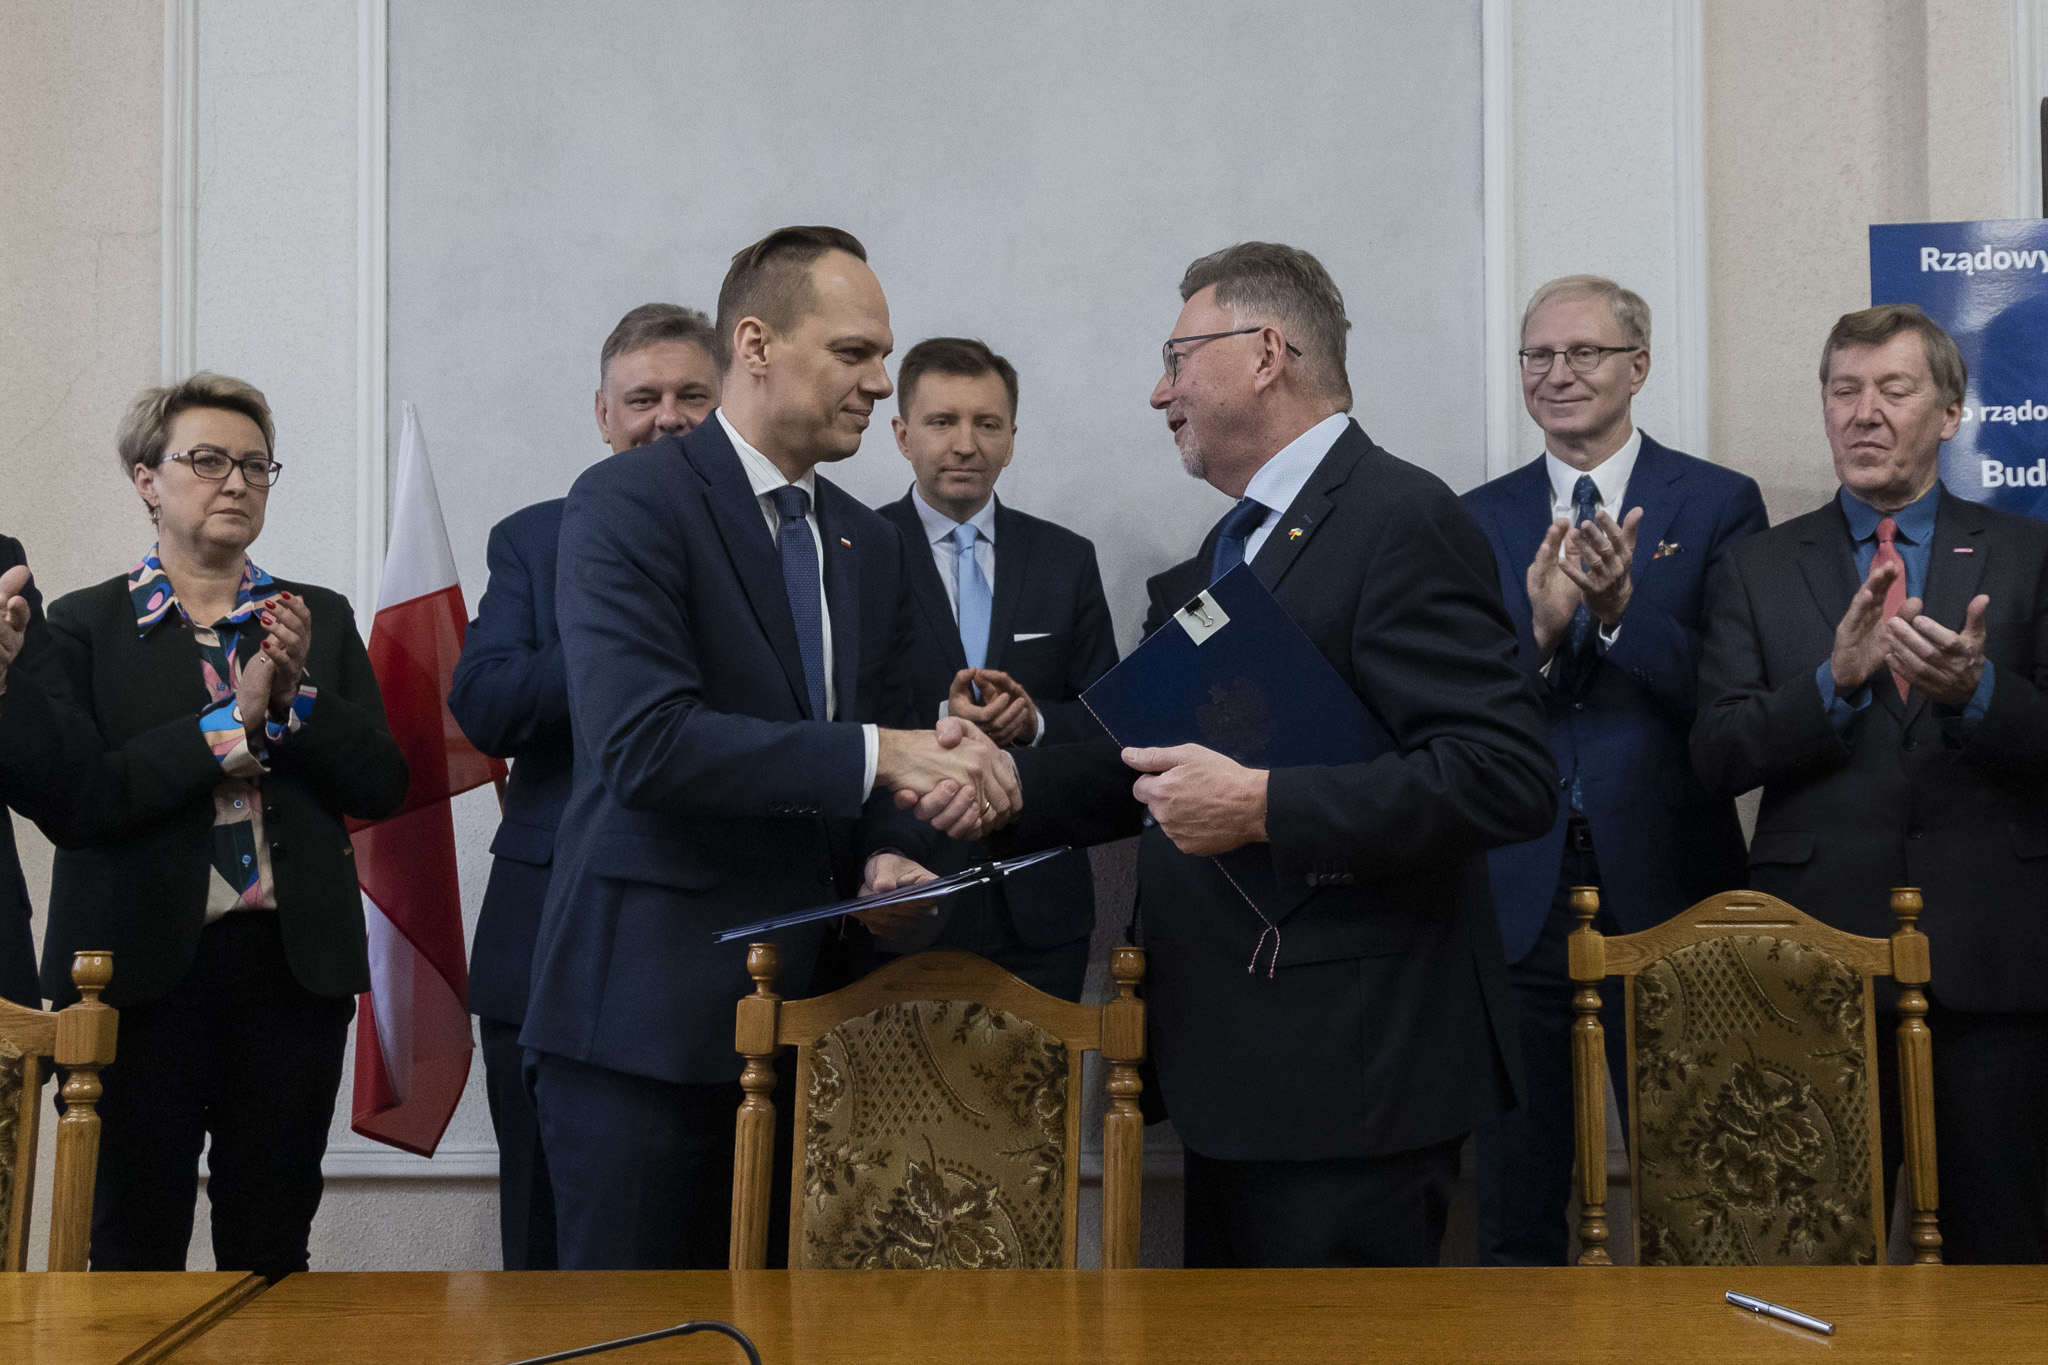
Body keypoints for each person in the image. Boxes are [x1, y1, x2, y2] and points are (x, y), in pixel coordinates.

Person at [972, 242, 1556, 1268]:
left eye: (1176, 358)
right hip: (1235, 1067)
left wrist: (1263, 808)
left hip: (1350, 1080)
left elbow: (1500, 776)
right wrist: (997, 783)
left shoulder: (1398, 517)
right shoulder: (1226, 551)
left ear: (1265, 353)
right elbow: (1147, 761)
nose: (1159, 392)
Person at [521, 226, 1020, 1271]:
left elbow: (892, 747)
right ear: (754, 344)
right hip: (646, 1032)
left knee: (793, 1334)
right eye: (853, 353)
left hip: (824, 1028)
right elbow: (644, 745)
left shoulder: (870, 542)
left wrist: (896, 854)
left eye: (880, 357)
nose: (878, 383)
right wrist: (885, 758)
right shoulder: (626, 502)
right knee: (638, 1336)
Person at [1693, 304, 2048, 1266]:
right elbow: (1716, 754)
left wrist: (1978, 693)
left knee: (2000, 1257)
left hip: (1991, 963)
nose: (1864, 412)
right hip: (1814, 963)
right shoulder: (1759, 566)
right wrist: (1830, 685)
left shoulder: (2029, 553)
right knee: (1813, 1256)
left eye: (1894, 389)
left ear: (1951, 412)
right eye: (1844, 390)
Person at [35, 373, 407, 1277]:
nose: (236, 481)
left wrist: (297, 699)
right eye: (207, 460)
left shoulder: (314, 618)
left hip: (289, 972)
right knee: (133, 1246)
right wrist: (228, 725)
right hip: (137, 976)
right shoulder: (84, 624)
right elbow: (86, 799)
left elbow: (383, 784)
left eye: (255, 465)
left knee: (271, 1245)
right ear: (146, 479)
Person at [1459, 276, 1767, 1264]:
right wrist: (1542, 630)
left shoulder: (1717, 503)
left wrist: (1621, 614)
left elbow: (1730, 694)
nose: (1557, 374)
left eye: (1583, 352)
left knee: (1696, 1179)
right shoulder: (1472, 519)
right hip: (1519, 883)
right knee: (1514, 1199)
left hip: (1666, 870)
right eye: (1538, 355)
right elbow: (1460, 709)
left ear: (1637, 365)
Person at [448, 302, 720, 1272]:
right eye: (642, 399)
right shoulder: (534, 539)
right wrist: (617, 634)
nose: (667, 417)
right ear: (603, 415)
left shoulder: (770, 542)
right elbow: (482, 704)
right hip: (543, 943)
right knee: (545, 1249)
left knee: (717, 1252)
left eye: (692, 395)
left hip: (712, 944)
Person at [873, 337, 1119, 1000]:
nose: (965, 444)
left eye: (987, 423)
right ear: (902, 435)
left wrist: (1034, 723)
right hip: (907, 896)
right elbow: (837, 717)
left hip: (1041, 911)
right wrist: (943, 720)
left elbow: (1110, 723)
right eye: (941, 421)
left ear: (1011, 440)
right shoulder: (858, 552)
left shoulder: (1065, 559)